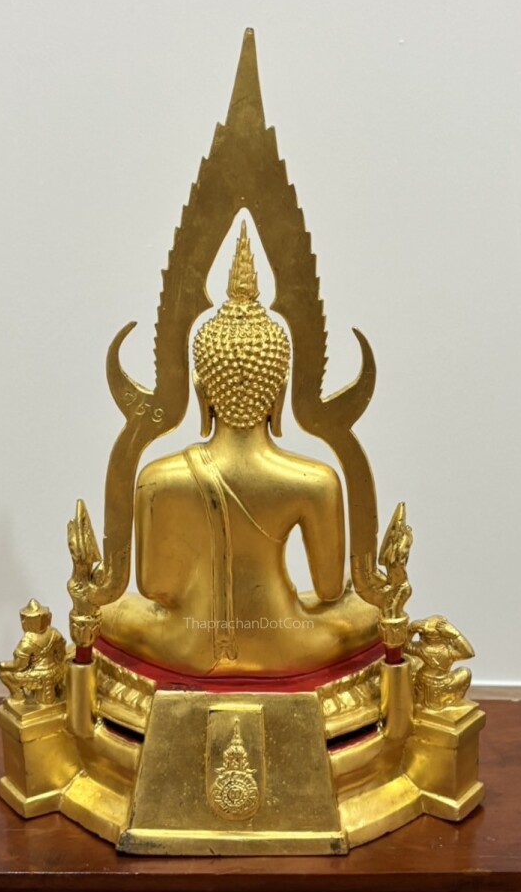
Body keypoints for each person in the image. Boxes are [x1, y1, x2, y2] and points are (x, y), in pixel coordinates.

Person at [100, 223, 379, 676]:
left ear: (200, 390)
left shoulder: (157, 478)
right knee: (373, 611)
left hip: (186, 643)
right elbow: (329, 591)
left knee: (103, 612)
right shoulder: (316, 482)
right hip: (287, 643)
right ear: (280, 390)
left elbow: (154, 589)